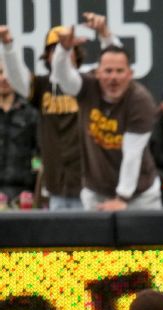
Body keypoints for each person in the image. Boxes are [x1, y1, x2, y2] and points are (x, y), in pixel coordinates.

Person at [0, 13, 119, 209]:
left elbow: (114, 66)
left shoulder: (89, 84)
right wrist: (8, 45)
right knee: (59, 240)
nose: (61, 52)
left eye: (67, 47)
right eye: (54, 48)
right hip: (57, 188)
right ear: (47, 56)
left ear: (77, 52)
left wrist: (105, 35)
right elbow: (16, 77)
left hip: (89, 189)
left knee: (89, 240)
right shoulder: (42, 86)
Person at [50, 35, 161, 210]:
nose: (113, 78)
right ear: (97, 72)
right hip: (96, 192)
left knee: (141, 238)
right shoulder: (87, 88)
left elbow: (132, 154)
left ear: (130, 74)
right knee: (93, 238)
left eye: (119, 71)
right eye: (108, 71)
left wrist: (122, 198)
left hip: (140, 195)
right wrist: (62, 50)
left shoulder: (140, 101)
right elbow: (63, 79)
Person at [0, 62, 39, 202]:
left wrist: (35, 189)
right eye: (0, 73)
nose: (4, 78)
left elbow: (39, 155)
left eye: (9, 73)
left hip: (22, 196)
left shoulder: (31, 113)